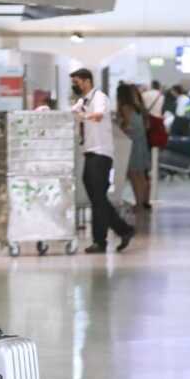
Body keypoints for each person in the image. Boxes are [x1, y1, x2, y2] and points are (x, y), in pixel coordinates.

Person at [71, 68, 135, 254]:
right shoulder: (83, 101)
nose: (75, 86)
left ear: (87, 81)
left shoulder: (99, 97)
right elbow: (71, 113)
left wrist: (83, 116)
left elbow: (98, 115)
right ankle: (123, 229)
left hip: (101, 153)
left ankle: (100, 241)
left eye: (77, 82)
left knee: (98, 199)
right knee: (97, 198)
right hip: (90, 152)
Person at [117, 83, 152, 211]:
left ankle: (138, 203)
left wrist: (119, 125)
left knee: (134, 175)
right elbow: (146, 126)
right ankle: (142, 201)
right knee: (141, 174)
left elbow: (127, 127)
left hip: (132, 145)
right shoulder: (139, 108)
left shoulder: (125, 108)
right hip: (141, 143)